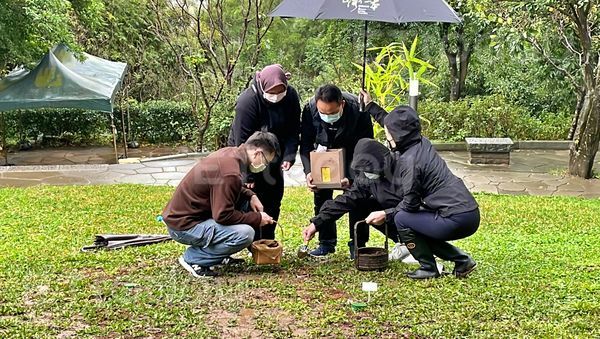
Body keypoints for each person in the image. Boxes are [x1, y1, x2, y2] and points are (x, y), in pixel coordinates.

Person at [362, 90, 480, 279]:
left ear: (398, 136)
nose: (387, 136)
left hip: (456, 218)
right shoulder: (419, 141)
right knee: (417, 224)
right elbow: (392, 123)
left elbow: (409, 205)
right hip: (468, 212)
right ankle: (462, 260)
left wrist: (384, 213)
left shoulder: (410, 162)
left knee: (403, 218)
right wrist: (370, 106)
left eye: (389, 134)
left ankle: (428, 267)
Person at [162, 131, 279, 278]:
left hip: (185, 217)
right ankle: (193, 259)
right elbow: (223, 215)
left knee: (245, 204)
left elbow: (228, 188)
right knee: (245, 234)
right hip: (184, 226)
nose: (264, 166)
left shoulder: (230, 153)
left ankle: (219, 255)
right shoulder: (230, 173)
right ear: (258, 153)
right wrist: (257, 218)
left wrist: (251, 195)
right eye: (266, 162)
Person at [228, 64, 301, 241]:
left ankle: (268, 239)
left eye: (280, 92)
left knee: (274, 197)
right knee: (249, 198)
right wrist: (247, 175)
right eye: (272, 93)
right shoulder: (247, 102)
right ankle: (250, 240)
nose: (276, 97)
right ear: (262, 87)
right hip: (248, 153)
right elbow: (241, 141)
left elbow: (293, 129)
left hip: (273, 152)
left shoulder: (290, 96)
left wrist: (289, 154)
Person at [300, 84, 374, 257]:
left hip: (353, 155)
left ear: (341, 104)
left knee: (357, 195)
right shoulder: (310, 108)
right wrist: (309, 171)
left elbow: (367, 145)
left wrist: (350, 176)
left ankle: (357, 243)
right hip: (324, 153)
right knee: (321, 194)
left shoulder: (358, 108)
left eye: (332, 113)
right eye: (322, 113)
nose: (327, 116)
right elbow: (305, 143)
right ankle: (326, 242)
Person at [301, 139, 403, 259]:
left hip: (414, 213)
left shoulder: (405, 168)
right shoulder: (367, 175)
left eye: (370, 170)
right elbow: (348, 199)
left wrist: (386, 214)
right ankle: (403, 241)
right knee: (362, 203)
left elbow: (413, 203)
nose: (368, 173)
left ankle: (419, 244)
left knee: (407, 215)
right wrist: (317, 223)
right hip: (394, 213)